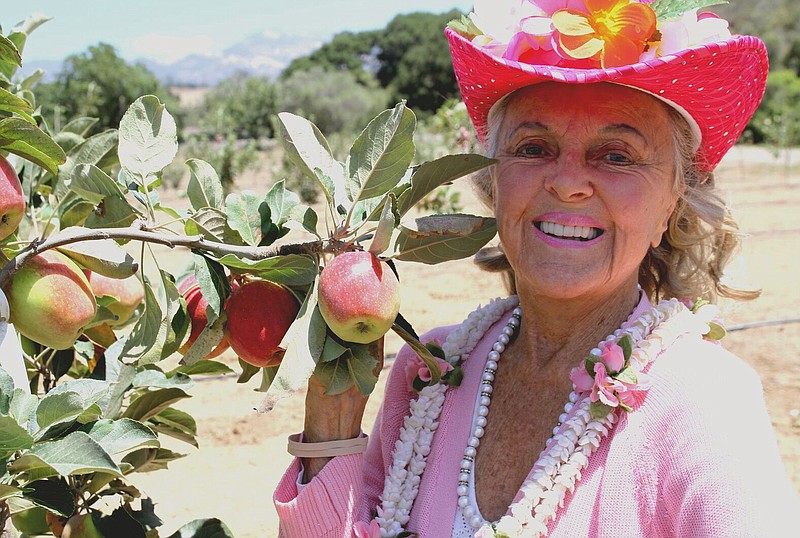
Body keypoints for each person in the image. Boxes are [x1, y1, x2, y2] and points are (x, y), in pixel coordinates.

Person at [274, 1, 798, 536]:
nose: (568, 181)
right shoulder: (431, 372)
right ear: (492, 183)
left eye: (616, 155)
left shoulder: (703, 399)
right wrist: (330, 428)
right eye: (534, 147)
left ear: (672, 201)